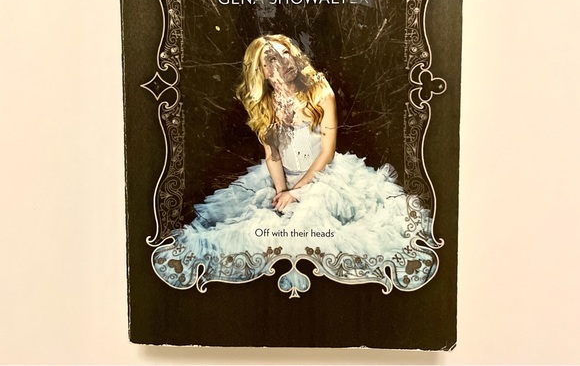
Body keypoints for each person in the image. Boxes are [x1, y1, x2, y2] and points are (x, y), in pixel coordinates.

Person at [152, 34, 438, 293]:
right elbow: (272, 155)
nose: (284, 61)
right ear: (263, 71)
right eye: (272, 59)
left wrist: (297, 191)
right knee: (253, 229)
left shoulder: (320, 91)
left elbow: (327, 152)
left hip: (323, 176)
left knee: (313, 230)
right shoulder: (264, 103)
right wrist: (281, 190)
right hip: (282, 178)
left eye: (286, 52)